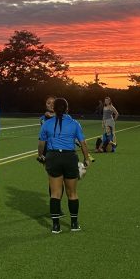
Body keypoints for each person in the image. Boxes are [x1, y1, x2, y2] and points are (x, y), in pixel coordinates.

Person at [38, 97, 90, 233]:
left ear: (54, 109)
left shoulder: (46, 124)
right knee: (72, 193)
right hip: (69, 158)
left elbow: (41, 143)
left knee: (55, 193)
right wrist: (86, 158)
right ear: (67, 109)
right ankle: (74, 224)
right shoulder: (74, 123)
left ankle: (56, 226)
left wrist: (41, 155)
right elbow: (83, 143)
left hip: (53, 157)